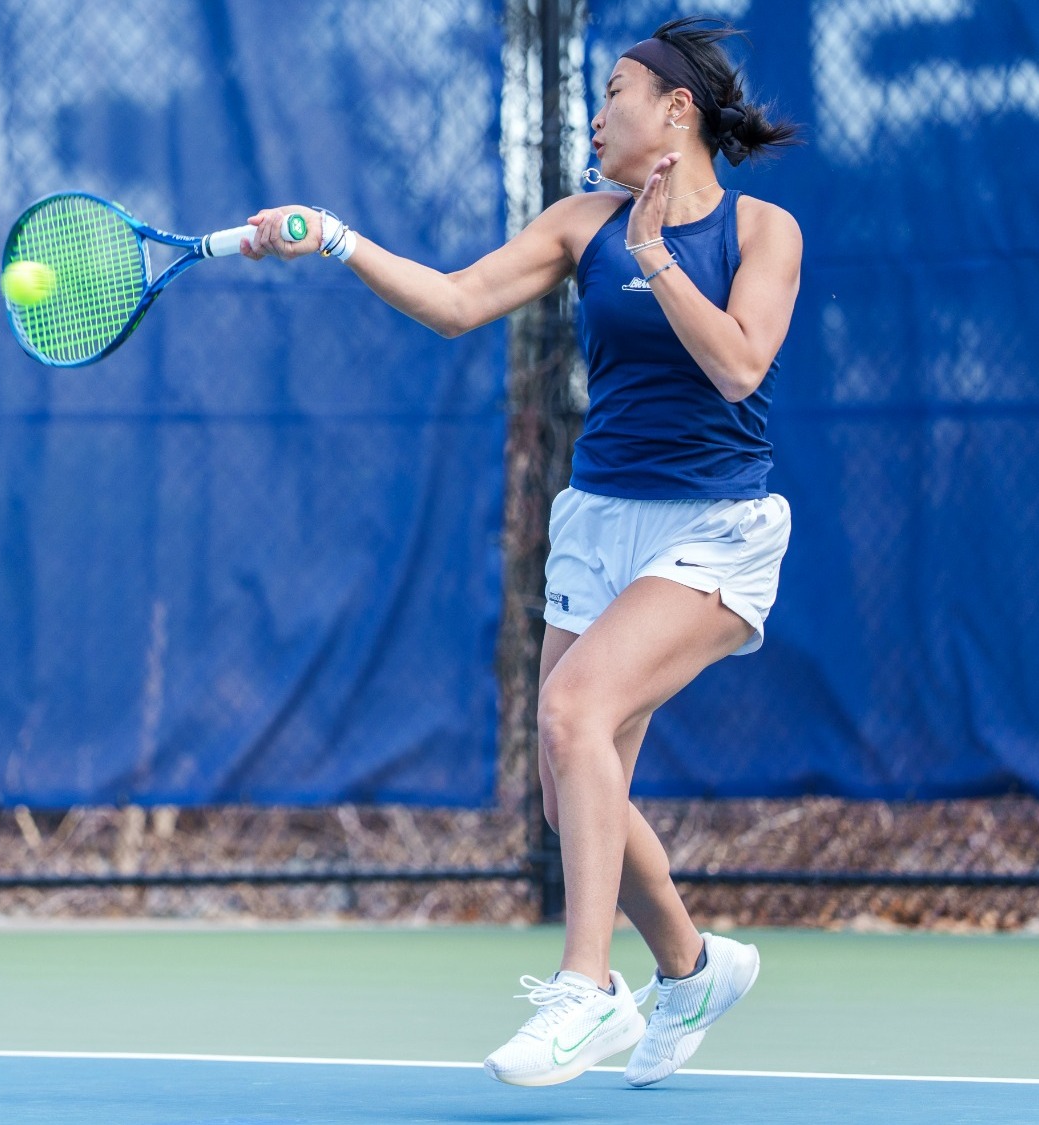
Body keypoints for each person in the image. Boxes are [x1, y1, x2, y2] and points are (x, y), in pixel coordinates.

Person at [240, 15, 803, 1089]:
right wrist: (338, 239)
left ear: (675, 110)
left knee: (571, 714)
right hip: (599, 522)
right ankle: (691, 969)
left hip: (712, 529)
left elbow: (738, 367)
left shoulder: (762, 231)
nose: (595, 117)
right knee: (568, 790)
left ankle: (588, 990)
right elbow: (455, 303)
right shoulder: (579, 224)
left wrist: (656, 259)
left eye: (615, 94)